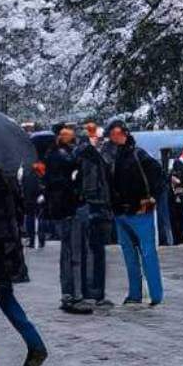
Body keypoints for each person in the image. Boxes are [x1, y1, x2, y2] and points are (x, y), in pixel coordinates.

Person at [0, 159, 46, 366]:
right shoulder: (7, 176)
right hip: (6, 249)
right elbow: (18, 211)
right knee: (5, 299)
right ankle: (35, 344)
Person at [104, 123, 164, 307]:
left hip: (138, 211)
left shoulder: (138, 155)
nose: (113, 137)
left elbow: (158, 176)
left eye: (115, 133)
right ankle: (137, 293)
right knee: (133, 255)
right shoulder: (114, 156)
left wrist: (152, 198)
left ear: (124, 134)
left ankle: (153, 294)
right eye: (111, 134)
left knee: (146, 254)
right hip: (123, 212)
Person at [69, 122, 113, 310]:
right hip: (93, 206)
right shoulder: (89, 156)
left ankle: (95, 292)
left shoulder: (92, 155)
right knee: (92, 251)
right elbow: (92, 184)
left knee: (95, 251)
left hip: (96, 207)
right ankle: (92, 292)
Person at [37, 127, 81, 312]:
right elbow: (71, 168)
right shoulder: (60, 156)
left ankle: (69, 292)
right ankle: (72, 293)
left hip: (59, 208)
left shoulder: (50, 158)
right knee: (72, 252)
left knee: (68, 251)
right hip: (67, 208)